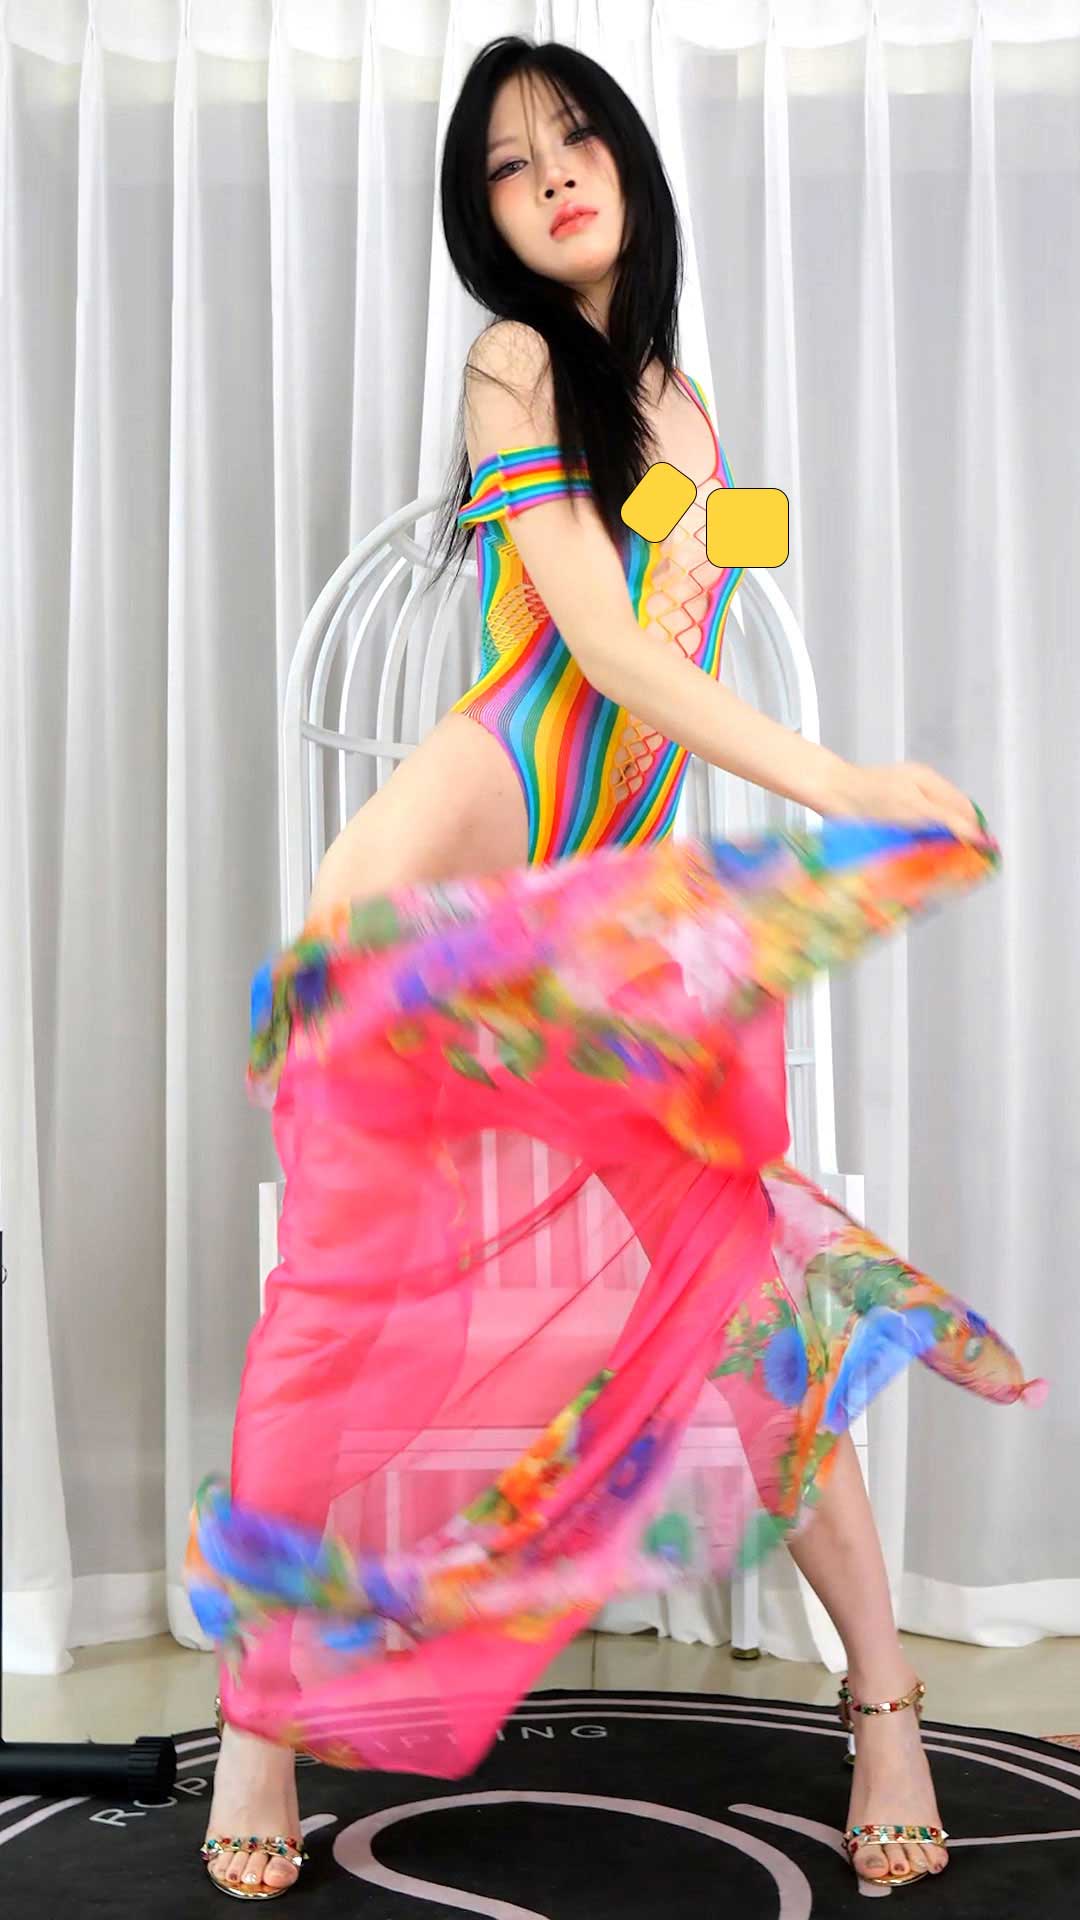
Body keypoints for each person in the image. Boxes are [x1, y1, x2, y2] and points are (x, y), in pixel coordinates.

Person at [185, 36, 1041, 1902]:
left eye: (578, 136)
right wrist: (838, 784)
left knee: (750, 1303)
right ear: (482, 218)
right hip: (429, 923)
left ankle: (882, 1702)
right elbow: (606, 651)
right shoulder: (514, 363)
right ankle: (260, 1720)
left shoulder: (683, 405)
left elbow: (697, 625)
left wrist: (810, 811)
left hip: (602, 939)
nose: (557, 173)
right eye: (512, 163)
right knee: (328, 1319)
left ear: (632, 161)